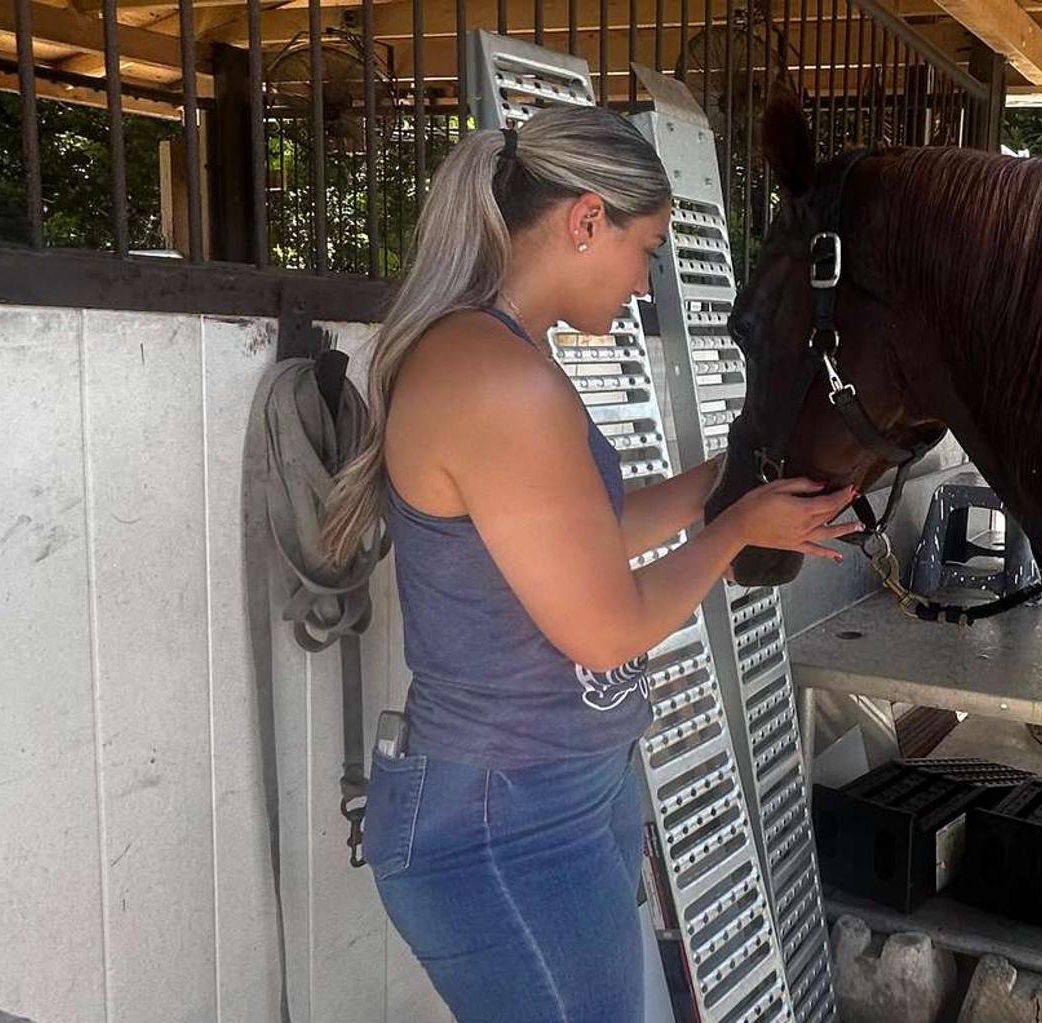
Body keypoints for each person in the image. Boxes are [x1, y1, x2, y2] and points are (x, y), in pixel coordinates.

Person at [315, 105, 859, 1022]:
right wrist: (732, 534)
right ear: (584, 220)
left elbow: (583, 540)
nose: (648, 284)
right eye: (646, 249)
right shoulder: (495, 377)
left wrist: (721, 484)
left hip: (554, 793)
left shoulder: (509, 356)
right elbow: (605, 626)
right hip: (505, 821)